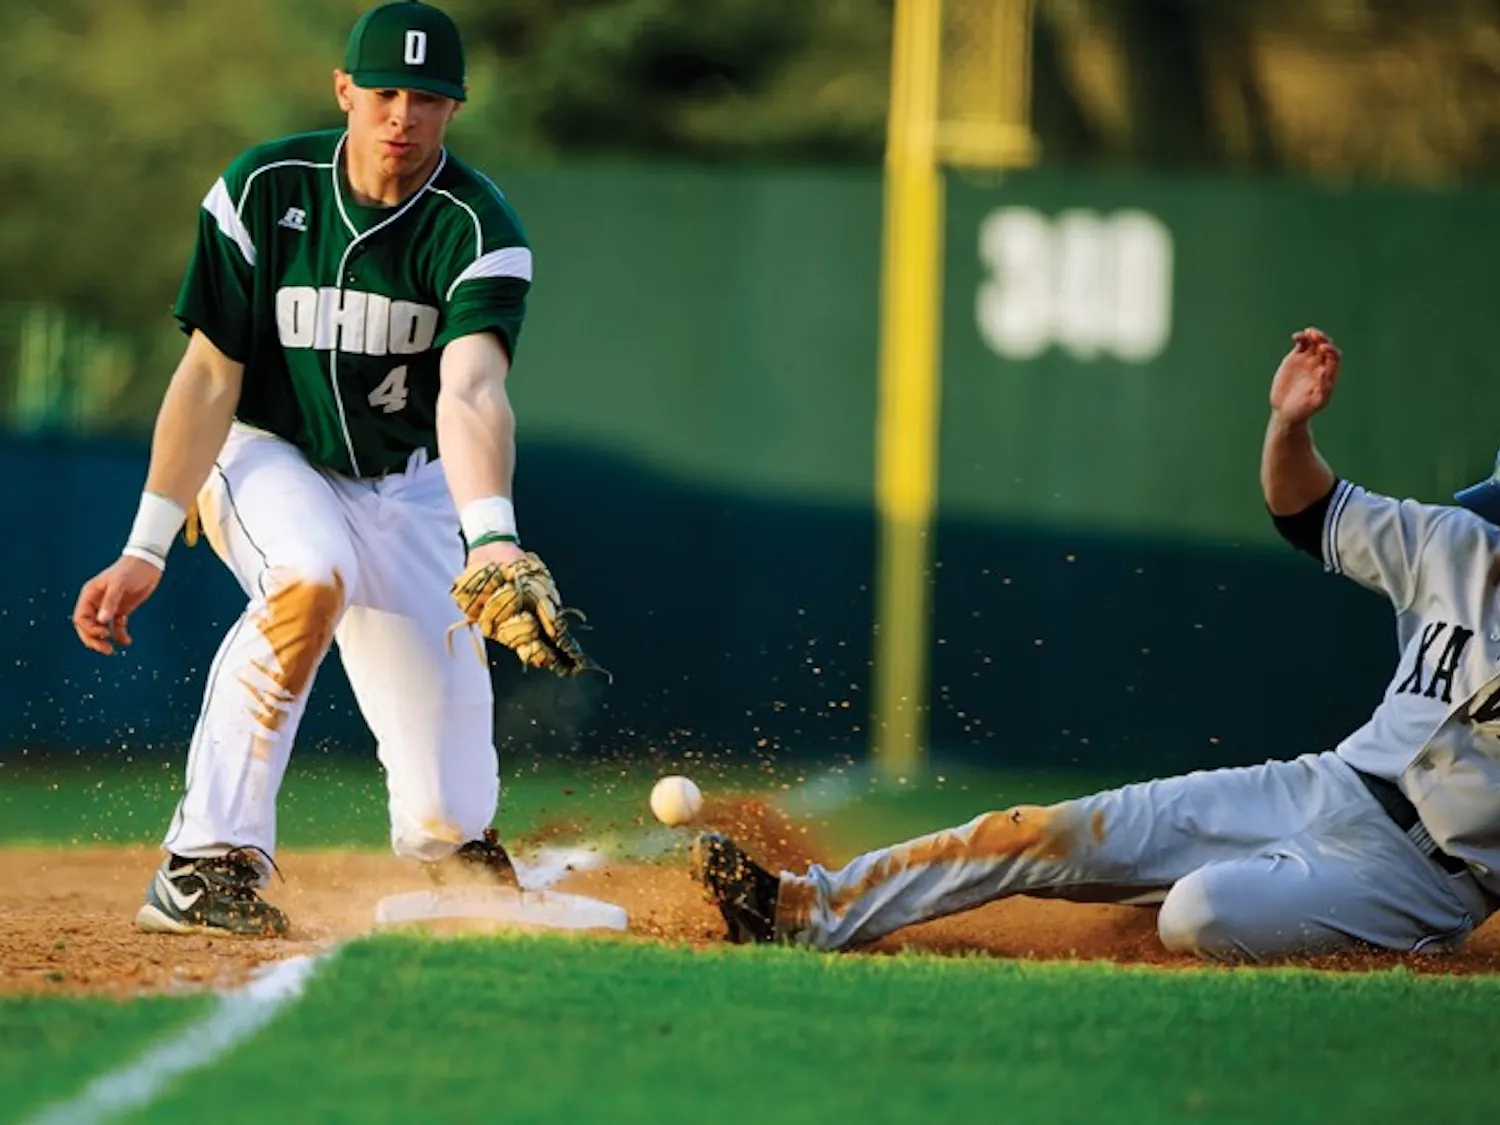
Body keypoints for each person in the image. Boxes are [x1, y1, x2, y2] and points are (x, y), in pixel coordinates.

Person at [694, 326, 1500, 961]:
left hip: (1423, 879)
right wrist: (1289, 427)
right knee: (1039, 831)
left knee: (1199, 911)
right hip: (1327, 786)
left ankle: (1217, 899)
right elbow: (1303, 509)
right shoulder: (1457, 543)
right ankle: (807, 907)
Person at [71, 1, 597, 938]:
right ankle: (203, 863)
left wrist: (491, 539)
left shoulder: (478, 226)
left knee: (447, 809)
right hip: (270, 454)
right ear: (343, 89)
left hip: (410, 483)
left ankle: (453, 855)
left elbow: (471, 391)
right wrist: (145, 544)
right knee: (309, 575)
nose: (403, 115)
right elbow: (206, 376)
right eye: (385, 90)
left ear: (454, 109)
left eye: (428, 97)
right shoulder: (262, 189)